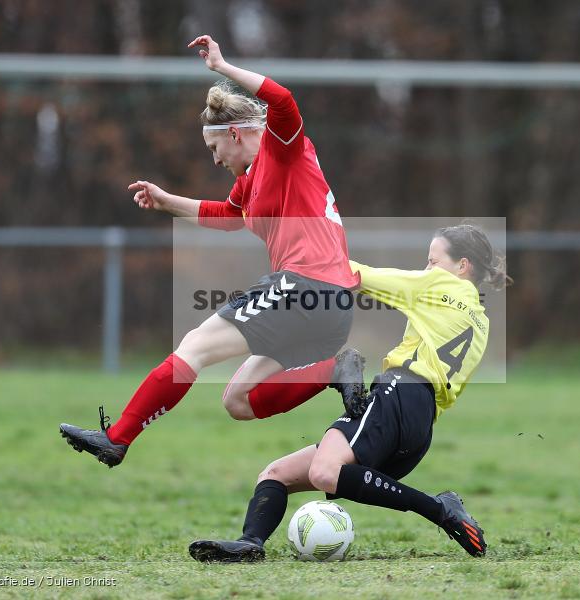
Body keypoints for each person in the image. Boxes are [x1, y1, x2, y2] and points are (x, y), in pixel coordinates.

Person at [60, 35, 366, 468]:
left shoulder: (283, 149)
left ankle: (119, 438)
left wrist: (222, 67)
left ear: (235, 133)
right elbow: (229, 214)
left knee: (195, 345)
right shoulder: (252, 179)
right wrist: (167, 202)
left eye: (214, 148)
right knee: (238, 400)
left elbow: (282, 98)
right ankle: (334, 370)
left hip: (305, 286)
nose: (215, 160)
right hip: (330, 305)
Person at [188, 224, 509, 562]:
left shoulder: (439, 284)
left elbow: (357, 274)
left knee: (324, 472)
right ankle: (251, 542)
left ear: (463, 266)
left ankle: (438, 509)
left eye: (433, 261)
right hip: (419, 424)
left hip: (397, 396)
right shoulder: (482, 322)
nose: (426, 269)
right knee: (276, 474)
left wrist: (305, 268)